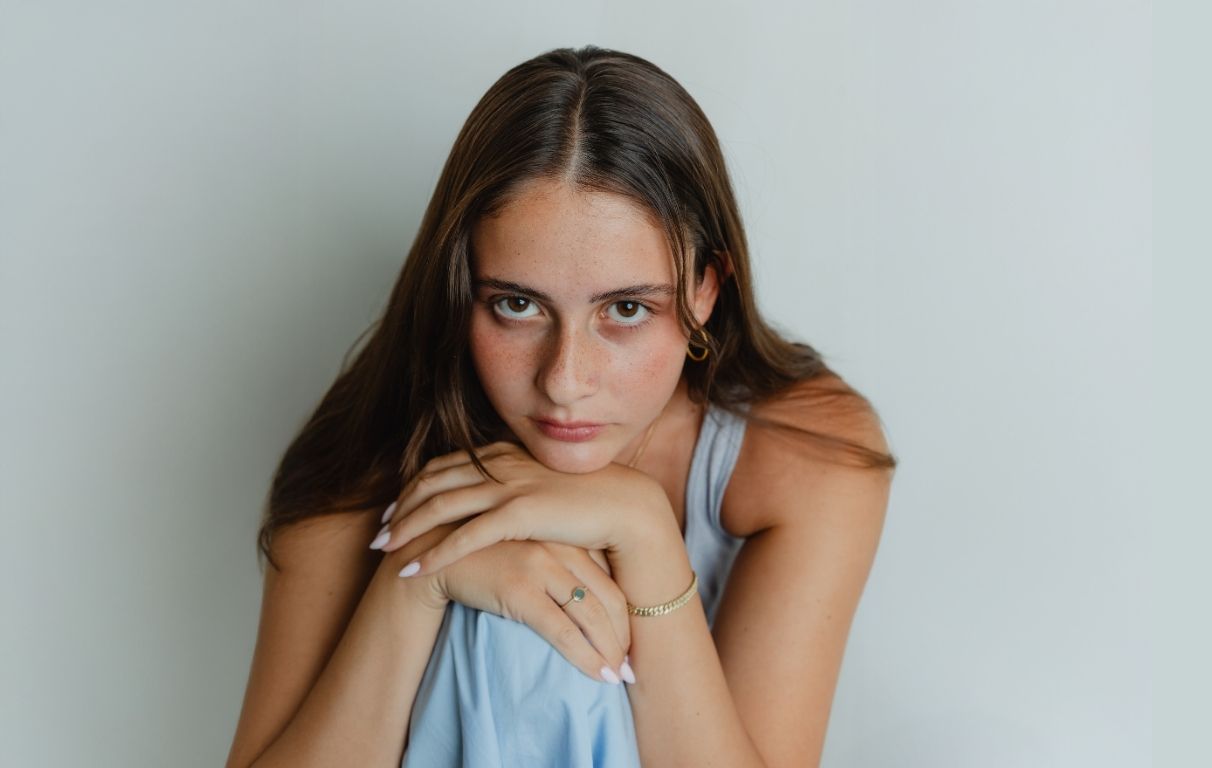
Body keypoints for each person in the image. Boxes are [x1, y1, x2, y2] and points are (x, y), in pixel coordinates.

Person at [226, 45, 896, 768]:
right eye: (517, 305)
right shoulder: (373, 444)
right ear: (461, 287)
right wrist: (416, 582)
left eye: (627, 309)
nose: (564, 380)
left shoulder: (804, 453)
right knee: (504, 623)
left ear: (706, 289)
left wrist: (645, 535)